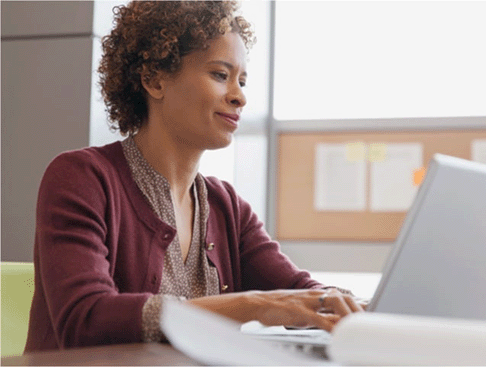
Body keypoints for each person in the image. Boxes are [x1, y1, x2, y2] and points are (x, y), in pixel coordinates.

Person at [25, 0, 362, 352]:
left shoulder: (226, 206)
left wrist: (349, 304)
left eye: (242, 81)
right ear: (154, 80)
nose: (240, 97)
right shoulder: (81, 178)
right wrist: (253, 306)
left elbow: (298, 291)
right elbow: (85, 319)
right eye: (220, 75)